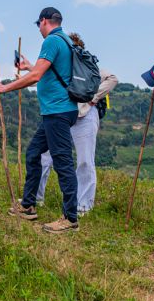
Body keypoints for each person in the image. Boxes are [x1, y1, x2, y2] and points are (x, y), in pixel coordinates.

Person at [0, 7, 80, 234]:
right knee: (33, 153)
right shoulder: (66, 41)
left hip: (57, 111)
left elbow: (36, 76)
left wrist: (5, 87)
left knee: (63, 163)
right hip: (57, 110)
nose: (39, 29)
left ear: (43, 21)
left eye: (38, 25)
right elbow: (46, 73)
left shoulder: (51, 41)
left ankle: (70, 218)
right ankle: (28, 205)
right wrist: (29, 66)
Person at [36, 33, 118, 216]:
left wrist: (93, 97)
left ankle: (83, 205)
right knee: (45, 156)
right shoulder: (61, 66)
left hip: (85, 116)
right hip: (63, 115)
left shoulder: (87, 67)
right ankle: (36, 197)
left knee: (84, 160)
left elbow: (112, 78)